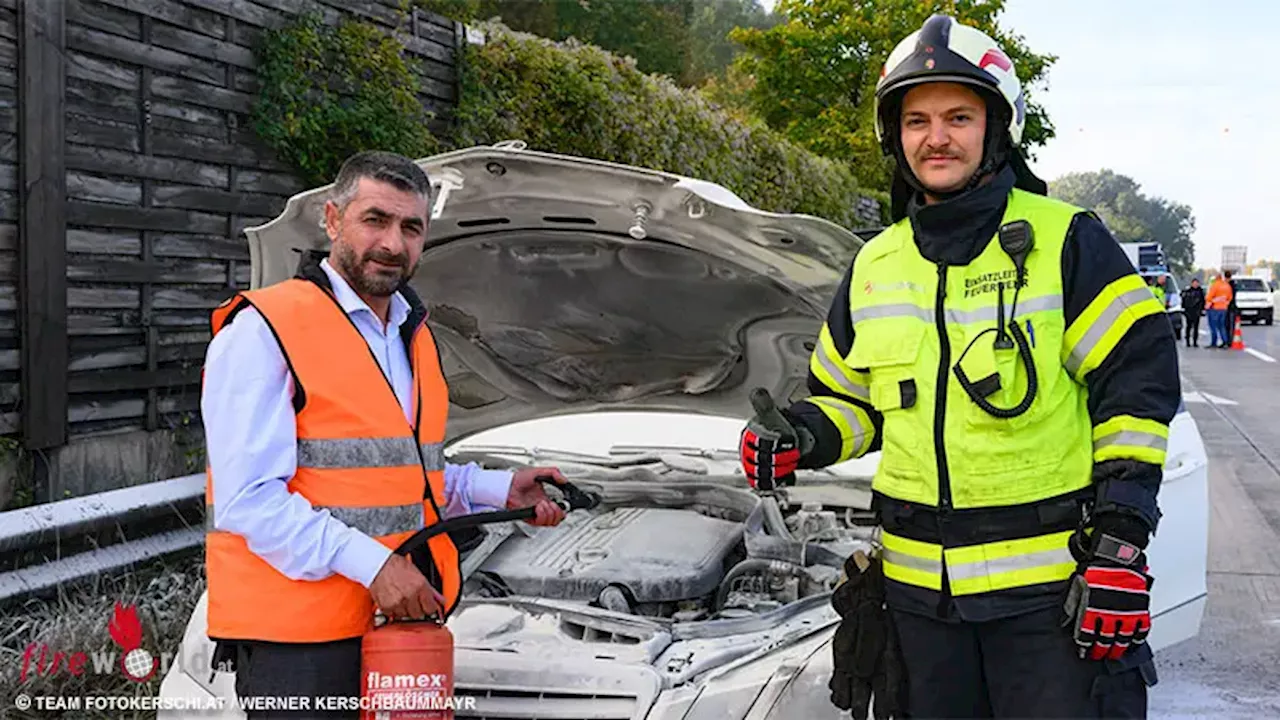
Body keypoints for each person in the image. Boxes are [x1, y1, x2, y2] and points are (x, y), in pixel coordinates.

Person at [738, 14, 1179, 719]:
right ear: (895, 135)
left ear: (995, 128)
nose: (935, 137)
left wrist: (1122, 541)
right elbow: (851, 401)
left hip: (1048, 606)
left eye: (958, 116)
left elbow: (1137, 389)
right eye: (916, 119)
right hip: (917, 607)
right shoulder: (874, 264)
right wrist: (798, 436)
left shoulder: (1067, 241)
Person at [201, 150, 569, 717]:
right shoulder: (263, 330)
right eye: (375, 220)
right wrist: (373, 564)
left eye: (411, 227)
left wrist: (498, 490)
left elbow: (398, 477)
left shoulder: (410, 334)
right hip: (300, 645)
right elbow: (247, 501)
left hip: (397, 626)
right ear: (332, 220)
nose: (393, 244)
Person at [1206, 273, 1233, 347]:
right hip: (1224, 308)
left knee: (1213, 326)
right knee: (1222, 326)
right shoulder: (1227, 286)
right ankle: (1225, 341)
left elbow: (1209, 297)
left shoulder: (1215, 285)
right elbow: (1230, 297)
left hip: (1214, 308)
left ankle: (1214, 342)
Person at [1181, 278, 1205, 347]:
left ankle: (1195, 341)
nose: (1195, 284)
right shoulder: (1188, 291)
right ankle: (1188, 341)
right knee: (1188, 327)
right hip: (1189, 311)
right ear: (1192, 284)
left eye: (1196, 283)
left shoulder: (1200, 292)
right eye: (1194, 283)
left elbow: (1203, 302)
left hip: (1197, 312)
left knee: (1196, 327)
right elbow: (1184, 301)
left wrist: (1202, 310)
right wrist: (1184, 309)